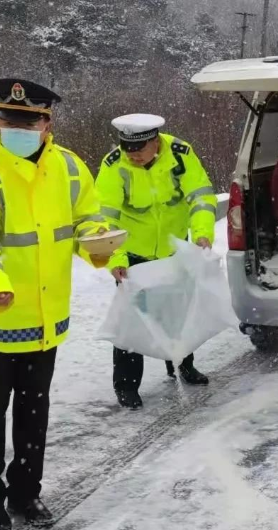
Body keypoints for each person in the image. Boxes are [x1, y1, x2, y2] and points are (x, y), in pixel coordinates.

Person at [0, 79, 109, 530]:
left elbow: (87, 219)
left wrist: (101, 245)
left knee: (33, 415)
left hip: (43, 321)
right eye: (8, 121)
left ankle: (25, 491)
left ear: (47, 123)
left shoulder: (71, 168)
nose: (16, 128)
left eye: (27, 121)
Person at [95, 114, 217, 410]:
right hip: (132, 253)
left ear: (155, 141)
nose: (133, 155)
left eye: (139, 148)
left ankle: (182, 366)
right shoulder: (114, 165)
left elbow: (200, 197)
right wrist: (117, 258)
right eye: (128, 149)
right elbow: (104, 219)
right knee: (132, 322)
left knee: (177, 314)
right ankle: (126, 385)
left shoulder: (180, 155)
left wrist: (201, 234)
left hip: (174, 249)